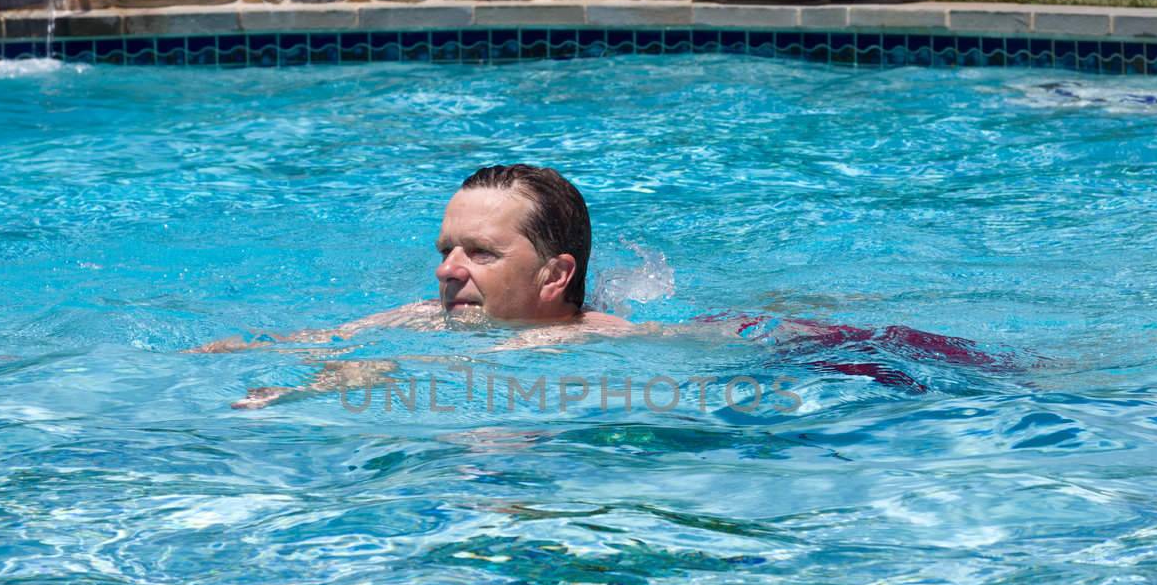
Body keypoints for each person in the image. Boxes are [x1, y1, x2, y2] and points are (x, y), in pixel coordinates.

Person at [193, 163, 1011, 407]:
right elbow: (289, 350)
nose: (446, 272)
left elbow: (759, 353)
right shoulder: (420, 318)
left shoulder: (609, 344)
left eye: (478, 253)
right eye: (446, 249)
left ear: (557, 275)